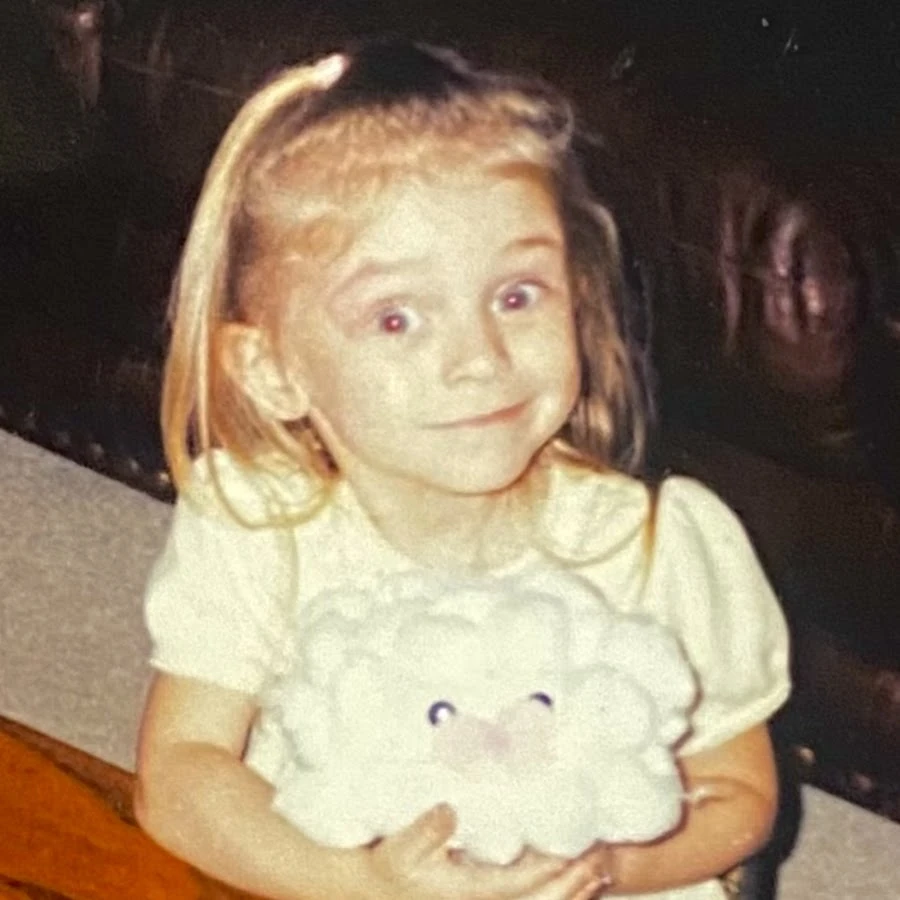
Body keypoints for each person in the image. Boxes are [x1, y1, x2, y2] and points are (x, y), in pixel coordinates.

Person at [134, 39, 790, 900]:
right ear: (273, 371)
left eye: (516, 296)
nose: (479, 359)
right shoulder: (264, 527)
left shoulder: (655, 547)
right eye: (397, 318)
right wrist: (365, 883)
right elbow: (180, 775)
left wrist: (615, 867)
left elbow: (738, 794)